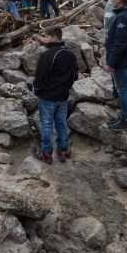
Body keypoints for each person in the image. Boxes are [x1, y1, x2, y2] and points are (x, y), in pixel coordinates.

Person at [31, 27, 77, 164]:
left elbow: (40, 77)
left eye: (47, 37)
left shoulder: (47, 55)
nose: (45, 39)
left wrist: (36, 89)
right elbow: (74, 75)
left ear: (55, 38)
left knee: (46, 123)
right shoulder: (70, 54)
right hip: (62, 95)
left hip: (48, 96)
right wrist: (66, 88)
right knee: (61, 122)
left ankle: (46, 152)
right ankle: (63, 149)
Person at [104, 0, 127, 131]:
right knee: (125, 88)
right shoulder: (125, 14)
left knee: (123, 89)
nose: (111, 0)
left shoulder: (123, 17)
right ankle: (124, 116)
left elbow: (120, 43)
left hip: (121, 61)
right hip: (124, 59)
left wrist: (111, 62)